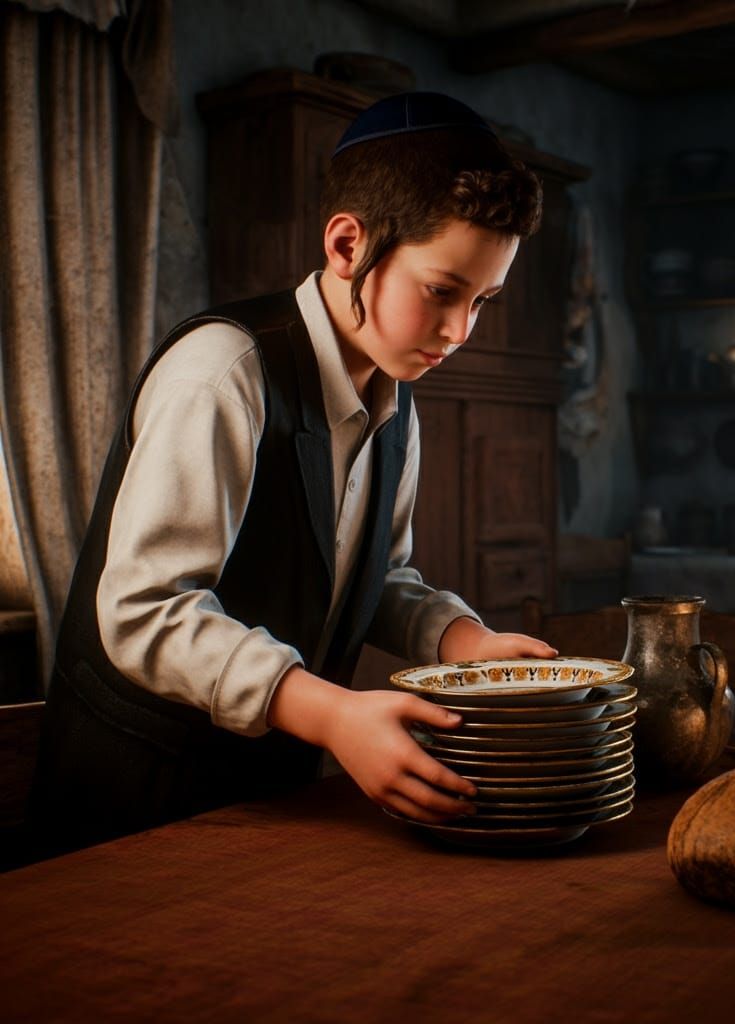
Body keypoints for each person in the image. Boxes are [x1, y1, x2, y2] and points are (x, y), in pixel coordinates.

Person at [30, 92, 556, 856]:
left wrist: (461, 639)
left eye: (483, 301)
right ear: (346, 245)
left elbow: (373, 577)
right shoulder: (223, 372)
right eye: (442, 291)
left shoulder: (397, 399)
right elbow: (143, 611)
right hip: (131, 810)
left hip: (271, 802)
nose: (459, 331)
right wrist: (334, 715)